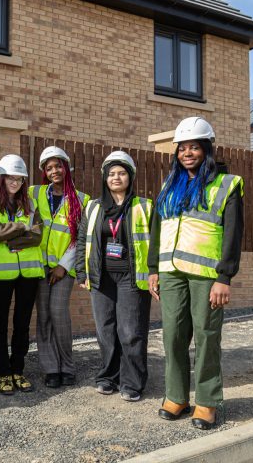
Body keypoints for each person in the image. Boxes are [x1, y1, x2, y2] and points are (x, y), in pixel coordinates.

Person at [148, 117, 244, 430]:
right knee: (173, 335)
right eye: (183, 148)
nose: (187, 153)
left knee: (206, 336)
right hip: (171, 272)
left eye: (194, 147)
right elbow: (157, 227)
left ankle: (206, 402)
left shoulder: (227, 184)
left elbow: (233, 234)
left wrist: (224, 277)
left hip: (206, 274)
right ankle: (176, 396)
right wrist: (153, 269)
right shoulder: (168, 185)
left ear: (206, 149)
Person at [75, 151, 153, 402]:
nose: (116, 178)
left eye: (121, 173)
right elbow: (81, 240)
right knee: (106, 330)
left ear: (130, 176)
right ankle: (108, 376)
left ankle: (132, 382)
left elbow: (155, 243)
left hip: (132, 278)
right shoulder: (93, 206)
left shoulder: (144, 206)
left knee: (131, 331)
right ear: (104, 178)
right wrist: (81, 271)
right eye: (111, 174)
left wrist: (154, 273)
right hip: (101, 277)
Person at [29, 146, 90, 389]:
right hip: (39, 266)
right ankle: (51, 368)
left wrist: (63, 267)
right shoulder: (35, 193)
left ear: (66, 168)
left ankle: (67, 365)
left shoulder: (81, 199)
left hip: (63, 269)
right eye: (49, 167)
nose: (54, 171)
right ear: (44, 171)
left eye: (58, 166)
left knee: (58, 313)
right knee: (43, 316)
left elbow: (79, 237)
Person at [0, 155, 44, 395]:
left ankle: (18, 370)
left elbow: (38, 235)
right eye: (10, 177)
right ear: (2, 178)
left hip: (28, 274)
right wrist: (21, 228)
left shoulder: (30, 205)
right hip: (1, 274)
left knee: (21, 324)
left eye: (19, 178)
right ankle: (3, 373)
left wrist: (12, 237)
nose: (15, 182)